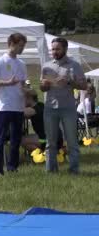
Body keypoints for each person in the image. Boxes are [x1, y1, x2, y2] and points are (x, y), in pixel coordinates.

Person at [40, 37, 87, 174]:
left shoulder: (75, 65)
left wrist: (69, 82)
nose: (54, 51)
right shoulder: (46, 66)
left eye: (57, 49)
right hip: (49, 108)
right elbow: (42, 88)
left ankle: (74, 170)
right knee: (50, 142)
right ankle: (51, 171)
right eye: (52, 49)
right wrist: (44, 85)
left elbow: (84, 85)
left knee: (72, 142)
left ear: (65, 49)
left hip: (68, 108)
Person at [0, 33, 28, 175]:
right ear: (12, 43)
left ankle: (12, 167)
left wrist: (27, 90)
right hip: (4, 107)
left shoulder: (22, 64)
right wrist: (7, 83)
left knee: (16, 140)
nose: (22, 48)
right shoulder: (0, 61)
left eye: (23, 46)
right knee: (0, 139)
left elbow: (23, 83)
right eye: (20, 45)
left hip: (19, 107)